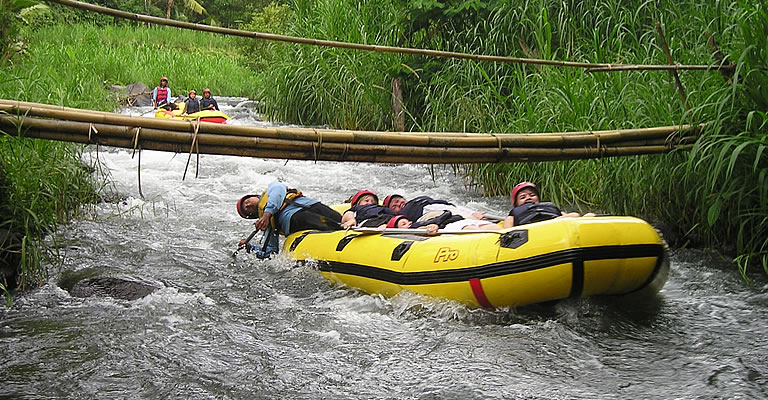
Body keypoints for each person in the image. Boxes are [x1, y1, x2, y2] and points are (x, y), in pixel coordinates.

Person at [236, 182, 342, 258]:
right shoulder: (267, 225)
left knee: (341, 220)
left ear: (254, 196)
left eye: (247, 201)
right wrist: (250, 248)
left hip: (311, 205)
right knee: (334, 227)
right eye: (247, 208)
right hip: (294, 219)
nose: (249, 204)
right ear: (252, 215)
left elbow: (278, 191)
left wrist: (267, 214)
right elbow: (271, 252)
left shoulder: (271, 189)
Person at [502, 181, 595, 228]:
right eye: (523, 197)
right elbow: (506, 232)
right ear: (516, 204)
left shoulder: (548, 206)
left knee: (588, 215)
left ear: (538, 199)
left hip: (555, 223)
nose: (528, 198)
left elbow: (569, 217)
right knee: (575, 215)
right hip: (531, 227)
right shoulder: (514, 214)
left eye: (532, 195)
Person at [384, 194, 501, 231]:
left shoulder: (422, 199)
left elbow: (451, 206)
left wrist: (472, 212)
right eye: (394, 206)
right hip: (431, 216)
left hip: (447, 210)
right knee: (463, 223)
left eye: (397, 201)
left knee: (478, 222)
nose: (399, 204)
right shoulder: (401, 217)